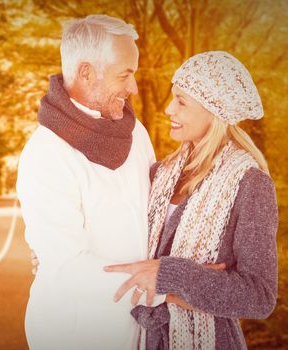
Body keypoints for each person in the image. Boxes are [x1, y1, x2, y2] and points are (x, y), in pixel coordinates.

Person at [104, 51, 279, 349]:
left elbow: (259, 296)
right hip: (146, 339)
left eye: (182, 101)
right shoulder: (160, 173)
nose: (168, 108)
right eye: (173, 97)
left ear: (215, 111)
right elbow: (119, 234)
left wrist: (171, 276)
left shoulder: (250, 184)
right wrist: (61, 253)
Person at [16, 15, 163, 350]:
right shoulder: (46, 153)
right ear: (86, 72)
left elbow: (156, 211)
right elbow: (68, 269)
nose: (134, 88)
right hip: (77, 335)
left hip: (137, 329)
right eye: (125, 74)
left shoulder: (135, 132)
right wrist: (168, 286)